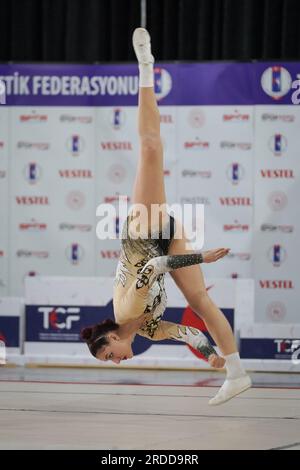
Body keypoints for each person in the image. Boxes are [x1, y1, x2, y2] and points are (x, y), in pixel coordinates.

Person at [82, 28, 252, 405]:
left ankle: (145, 68)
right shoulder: (150, 330)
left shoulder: (127, 309)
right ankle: (236, 373)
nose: (116, 362)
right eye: (111, 362)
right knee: (201, 304)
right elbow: (188, 335)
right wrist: (210, 355)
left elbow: (157, 264)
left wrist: (201, 257)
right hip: (166, 238)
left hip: (144, 231)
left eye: (109, 355)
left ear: (110, 336)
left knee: (150, 147)